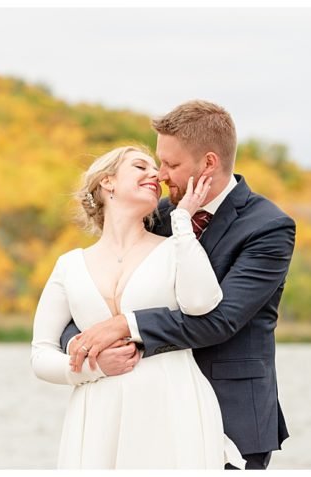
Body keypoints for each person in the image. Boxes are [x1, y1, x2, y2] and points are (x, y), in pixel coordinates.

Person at [62, 100, 295, 469]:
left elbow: (222, 321)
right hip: (152, 412)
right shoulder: (160, 216)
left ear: (208, 163)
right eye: (159, 163)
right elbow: (97, 298)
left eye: (171, 165)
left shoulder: (267, 227)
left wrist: (125, 325)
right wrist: (88, 347)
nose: (162, 176)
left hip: (232, 413)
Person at [30, 145, 244, 469]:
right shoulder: (69, 265)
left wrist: (182, 220)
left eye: (155, 170)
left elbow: (201, 305)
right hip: (97, 409)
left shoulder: (177, 249)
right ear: (107, 182)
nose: (154, 174)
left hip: (171, 403)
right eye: (140, 166)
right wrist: (95, 367)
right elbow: (41, 353)